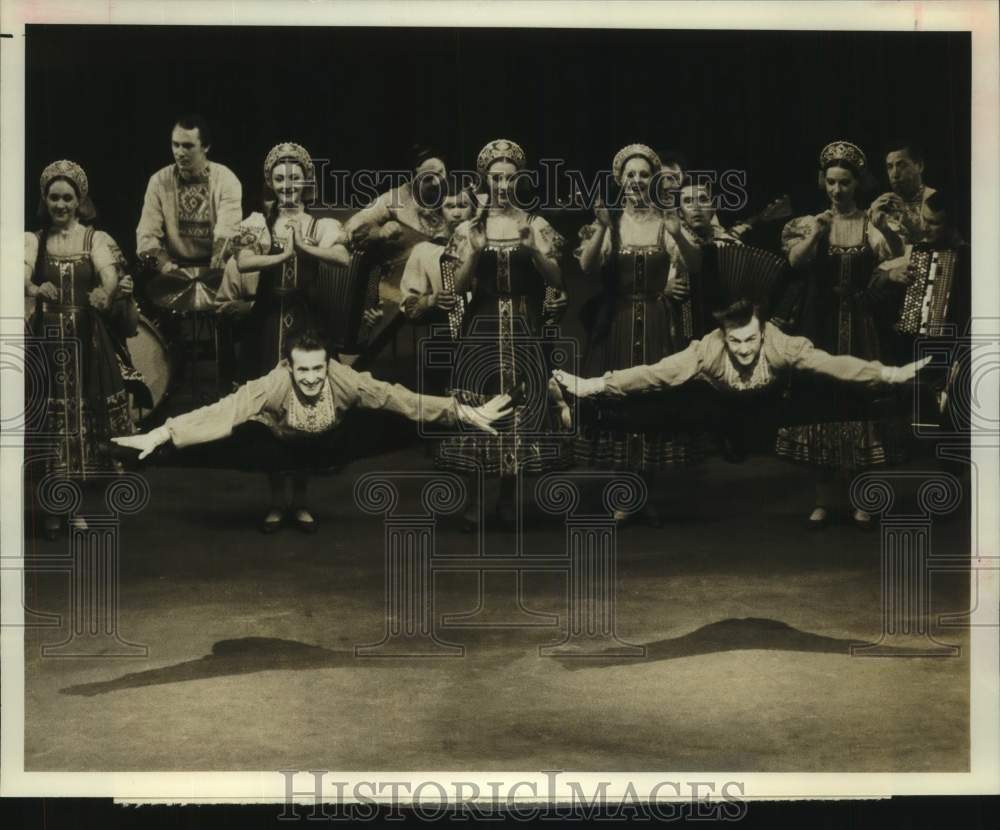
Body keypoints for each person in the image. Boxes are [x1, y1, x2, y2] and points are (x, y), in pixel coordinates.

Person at [112, 329, 512, 534]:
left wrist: (459, 410)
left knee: (399, 419)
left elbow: (397, 397)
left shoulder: (343, 380)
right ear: (289, 367)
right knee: (222, 438)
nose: (310, 378)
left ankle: (462, 418)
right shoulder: (273, 384)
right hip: (277, 443)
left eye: (317, 369)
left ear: (327, 365)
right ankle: (140, 452)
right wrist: (162, 432)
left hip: (331, 443)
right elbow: (226, 408)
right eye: (302, 370)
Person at [551, 299, 930, 475]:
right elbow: (655, 373)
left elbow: (833, 363)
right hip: (719, 410)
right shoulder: (707, 350)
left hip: (770, 408)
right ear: (724, 337)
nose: (745, 350)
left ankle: (920, 399)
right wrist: (597, 383)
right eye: (737, 342)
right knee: (662, 411)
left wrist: (888, 373)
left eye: (751, 340)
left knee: (833, 395)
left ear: (762, 332)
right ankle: (583, 411)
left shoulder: (781, 345)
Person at [434, 138, 569, 529]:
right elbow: (456, 290)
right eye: (495, 178)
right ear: (485, 179)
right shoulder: (469, 228)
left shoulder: (535, 223)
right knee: (480, 404)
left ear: (519, 180)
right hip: (483, 323)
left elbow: (558, 281)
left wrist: (536, 252)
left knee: (519, 405)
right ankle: (475, 502)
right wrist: (474, 252)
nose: (502, 185)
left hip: (524, 324)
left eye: (510, 178)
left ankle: (508, 499)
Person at [773, 140, 907, 529]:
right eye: (831, 182)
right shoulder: (812, 222)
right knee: (823, 404)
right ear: (823, 182)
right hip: (821, 325)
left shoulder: (870, 222)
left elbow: (893, 258)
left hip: (863, 323)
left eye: (844, 183)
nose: (836, 190)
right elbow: (795, 263)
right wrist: (817, 233)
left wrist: (884, 229)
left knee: (862, 404)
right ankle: (823, 498)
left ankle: (863, 499)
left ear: (856, 184)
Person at [574, 144, 701, 525]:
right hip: (619, 321)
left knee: (651, 401)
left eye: (644, 174)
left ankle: (643, 491)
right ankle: (624, 491)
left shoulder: (667, 221)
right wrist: (598, 227)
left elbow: (694, 266)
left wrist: (678, 234)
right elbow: (586, 267)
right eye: (630, 174)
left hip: (658, 320)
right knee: (618, 400)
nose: (637, 180)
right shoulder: (611, 223)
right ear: (620, 180)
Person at [25, 160, 136, 539]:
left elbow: (108, 272)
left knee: (81, 427)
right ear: (45, 199)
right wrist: (34, 288)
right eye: (54, 197)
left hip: (87, 346)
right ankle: (55, 510)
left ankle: (75, 511)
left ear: (80, 200)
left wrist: (106, 290)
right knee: (53, 429)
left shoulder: (95, 240)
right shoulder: (35, 240)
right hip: (47, 345)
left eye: (67, 197)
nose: (60, 204)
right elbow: (20, 273)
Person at [230, 142, 351, 375]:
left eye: (294, 178)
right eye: (279, 180)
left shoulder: (319, 225)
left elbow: (342, 257)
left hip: (308, 316)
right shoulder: (259, 223)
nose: (287, 186)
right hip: (267, 317)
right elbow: (243, 262)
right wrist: (284, 256)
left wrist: (305, 247)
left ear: (305, 181)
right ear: (270, 183)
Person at [135, 113, 242, 273]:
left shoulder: (226, 179)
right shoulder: (159, 181)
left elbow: (227, 233)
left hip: (216, 267)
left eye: (187, 146)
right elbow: (146, 236)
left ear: (206, 147)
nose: (180, 152)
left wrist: (215, 269)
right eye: (175, 145)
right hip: (172, 268)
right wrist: (165, 266)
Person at [868, 140, 936, 246]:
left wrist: (909, 223)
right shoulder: (883, 206)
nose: (895, 174)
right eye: (890, 167)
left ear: (920, 166)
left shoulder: (936, 199)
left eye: (902, 165)